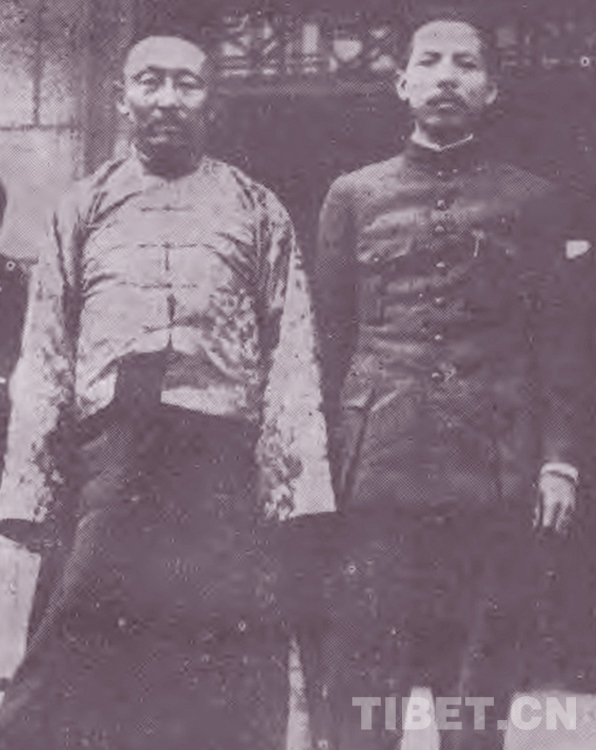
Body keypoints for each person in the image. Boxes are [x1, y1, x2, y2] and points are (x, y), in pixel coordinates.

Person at [0, 32, 335, 750]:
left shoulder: (257, 208)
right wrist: (27, 490)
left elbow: (292, 348)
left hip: (219, 463)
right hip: (110, 462)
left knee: (219, 650)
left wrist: (296, 488)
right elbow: (46, 348)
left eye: (187, 84)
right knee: (80, 641)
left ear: (212, 102)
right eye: (150, 81)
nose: (167, 99)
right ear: (121, 97)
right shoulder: (83, 205)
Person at [314, 8, 584, 750]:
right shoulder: (352, 195)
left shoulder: (534, 200)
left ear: (491, 89)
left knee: (477, 674)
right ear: (402, 83)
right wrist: (318, 462)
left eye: (465, 64)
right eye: (429, 62)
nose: (446, 77)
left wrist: (559, 460)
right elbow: (328, 339)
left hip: (493, 468)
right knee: (366, 674)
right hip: (378, 464)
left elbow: (558, 342)